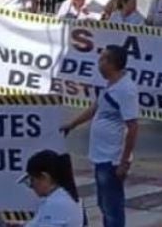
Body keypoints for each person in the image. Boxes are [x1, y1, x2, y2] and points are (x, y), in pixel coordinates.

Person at [60, 45, 139, 227]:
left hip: (112, 159)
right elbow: (96, 108)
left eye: (102, 59)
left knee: (112, 208)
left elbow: (133, 127)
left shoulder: (125, 90)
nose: (99, 63)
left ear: (111, 63)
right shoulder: (112, 85)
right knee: (104, 204)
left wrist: (124, 161)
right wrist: (72, 125)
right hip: (102, 156)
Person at [21, 149, 86, 227]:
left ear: (45, 177)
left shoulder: (56, 204)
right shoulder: (62, 197)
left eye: (32, 180)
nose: (31, 186)